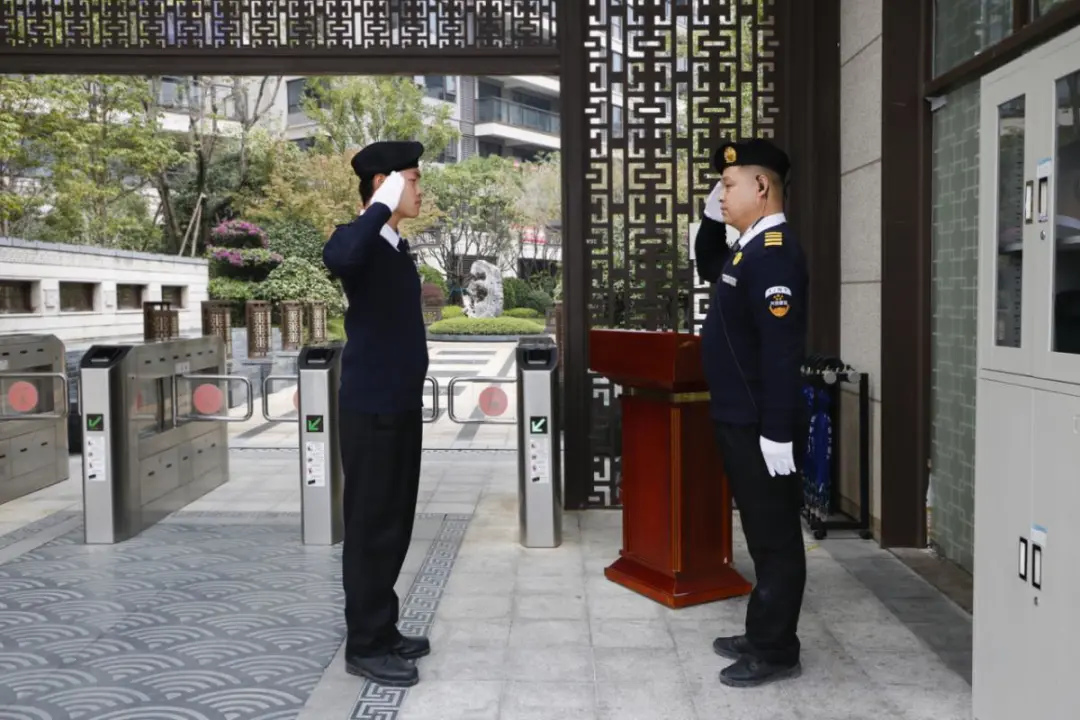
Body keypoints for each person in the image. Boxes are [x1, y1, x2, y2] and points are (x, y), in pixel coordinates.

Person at [694, 137, 809, 688]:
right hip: (740, 417)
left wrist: (778, 432)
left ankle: (775, 649)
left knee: (775, 538)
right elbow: (708, 264)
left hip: (762, 423)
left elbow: (781, 353)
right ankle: (761, 630)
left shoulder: (774, 253)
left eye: (729, 186)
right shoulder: (748, 249)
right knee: (761, 533)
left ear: (761, 186)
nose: (722, 195)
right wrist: (709, 217)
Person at [322, 140, 430, 688]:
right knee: (370, 527)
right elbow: (339, 258)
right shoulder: (356, 239)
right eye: (412, 179)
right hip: (372, 409)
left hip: (399, 405)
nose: (420, 189)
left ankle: (383, 628)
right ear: (383, 184)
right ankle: (364, 644)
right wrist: (382, 202)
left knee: (395, 522)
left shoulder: (392, 245)